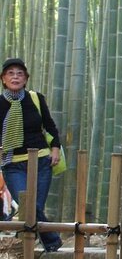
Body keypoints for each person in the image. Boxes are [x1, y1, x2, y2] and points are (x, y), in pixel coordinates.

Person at [0, 58, 63, 252]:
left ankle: (38, 245)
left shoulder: (36, 98)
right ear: (3, 79)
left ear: (26, 79)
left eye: (20, 73)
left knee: (35, 207)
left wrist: (55, 149)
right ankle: (52, 241)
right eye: (10, 73)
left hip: (41, 160)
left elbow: (50, 126)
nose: (15, 76)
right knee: (29, 206)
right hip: (12, 163)